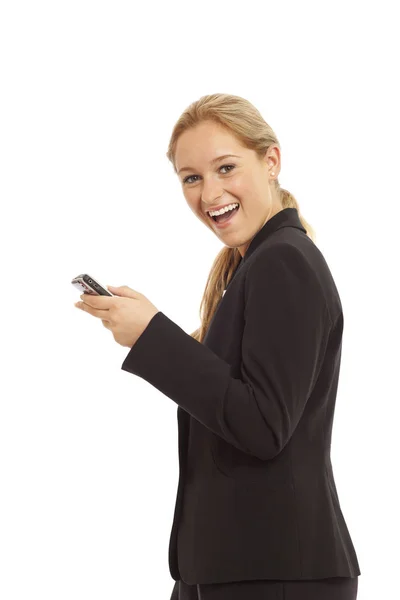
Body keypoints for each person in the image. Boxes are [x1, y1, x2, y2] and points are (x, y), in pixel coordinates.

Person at [120, 93, 361, 599]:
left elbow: (263, 424)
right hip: (232, 565)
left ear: (270, 160)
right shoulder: (254, 265)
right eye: (191, 177)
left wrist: (150, 336)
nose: (210, 193)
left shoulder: (283, 261)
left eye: (225, 167)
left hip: (272, 571)